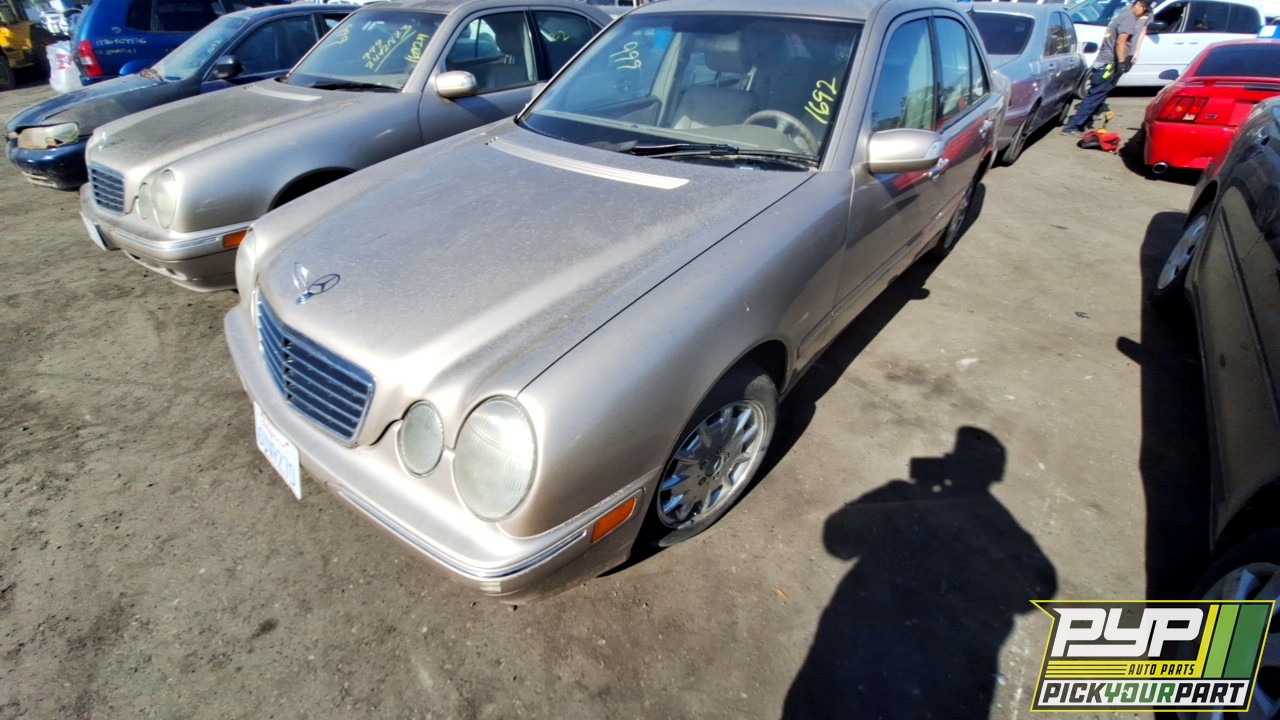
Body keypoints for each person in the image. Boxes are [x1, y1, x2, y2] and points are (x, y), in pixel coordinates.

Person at [1061, 0, 1151, 136]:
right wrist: (1122, 63)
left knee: (1099, 95)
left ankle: (1082, 123)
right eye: (1144, 10)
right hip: (1108, 64)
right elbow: (1121, 42)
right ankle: (1072, 127)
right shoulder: (1129, 18)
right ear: (1139, 4)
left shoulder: (1125, 11)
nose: (1144, 14)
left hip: (1106, 62)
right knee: (1095, 95)